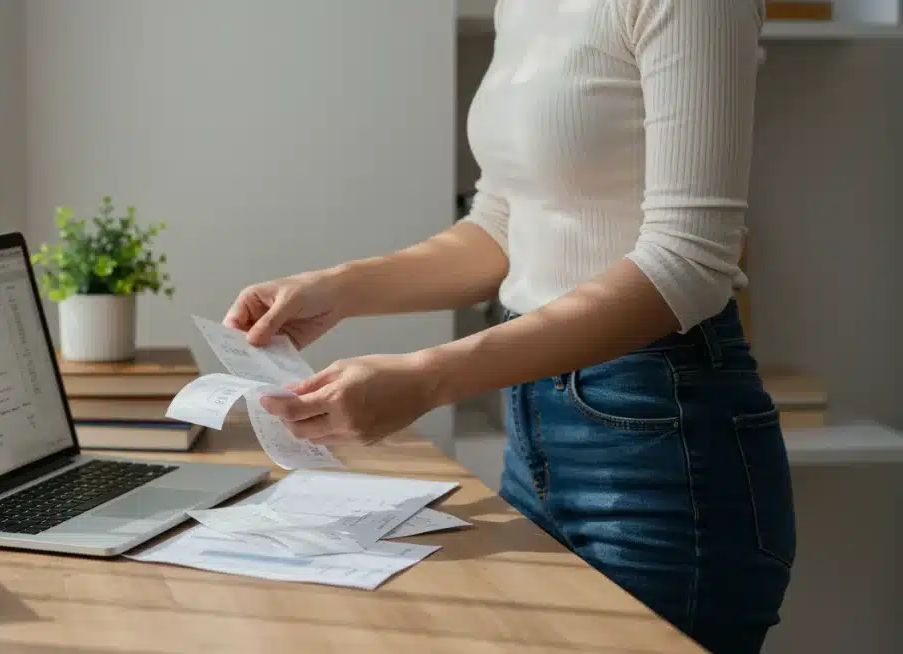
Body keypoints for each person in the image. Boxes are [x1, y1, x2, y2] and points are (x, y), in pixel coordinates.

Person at [223, 0, 794, 651]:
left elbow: (689, 262)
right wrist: (336, 289)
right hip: (535, 432)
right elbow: (502, 223)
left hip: (662, 443)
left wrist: (425, 378)